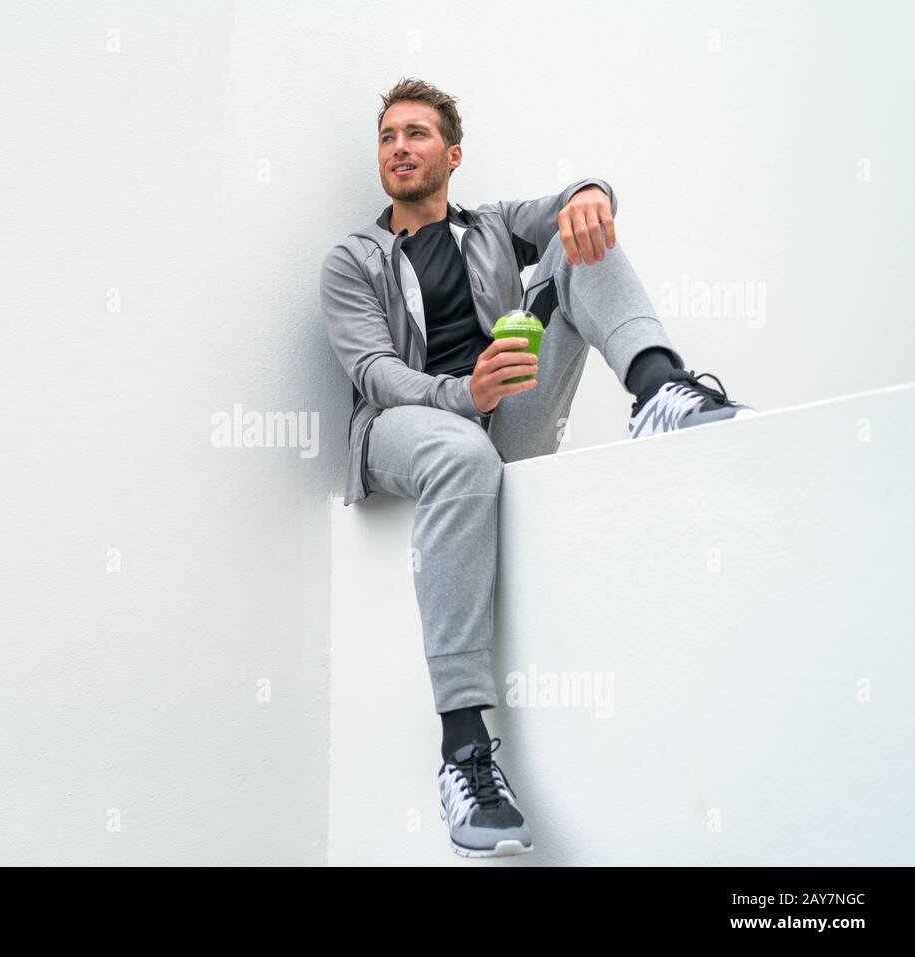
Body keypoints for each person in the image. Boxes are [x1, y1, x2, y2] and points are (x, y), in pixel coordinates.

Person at [318, 77, 757, 859]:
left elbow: (571, 205)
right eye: (387, 137)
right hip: (402, 428)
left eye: (416, 135)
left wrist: (592, 193)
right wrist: (462, 390)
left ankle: (657, 387)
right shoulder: (353, 259)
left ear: (452, 154)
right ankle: (464, 752)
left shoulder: (487, 226)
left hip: (504, 423)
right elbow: (374, 372)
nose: (398, 149)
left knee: (577, 238)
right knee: (458, 449)